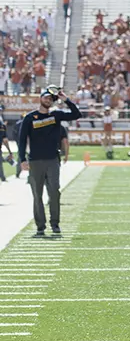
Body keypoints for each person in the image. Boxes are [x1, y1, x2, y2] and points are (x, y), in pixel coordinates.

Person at [17, 86, 82, 237]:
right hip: (35, 161)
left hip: (52, 160)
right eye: (46, 97)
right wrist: (22, 159)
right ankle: (40, 226)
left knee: (54, 193)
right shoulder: (30, 117)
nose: (48, 100)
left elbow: (76, 114)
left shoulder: (56, 115)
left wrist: (66, 100)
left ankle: (55, 224)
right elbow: (22, 140)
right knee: (37, 194)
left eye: (51, 99)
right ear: (40, 98)